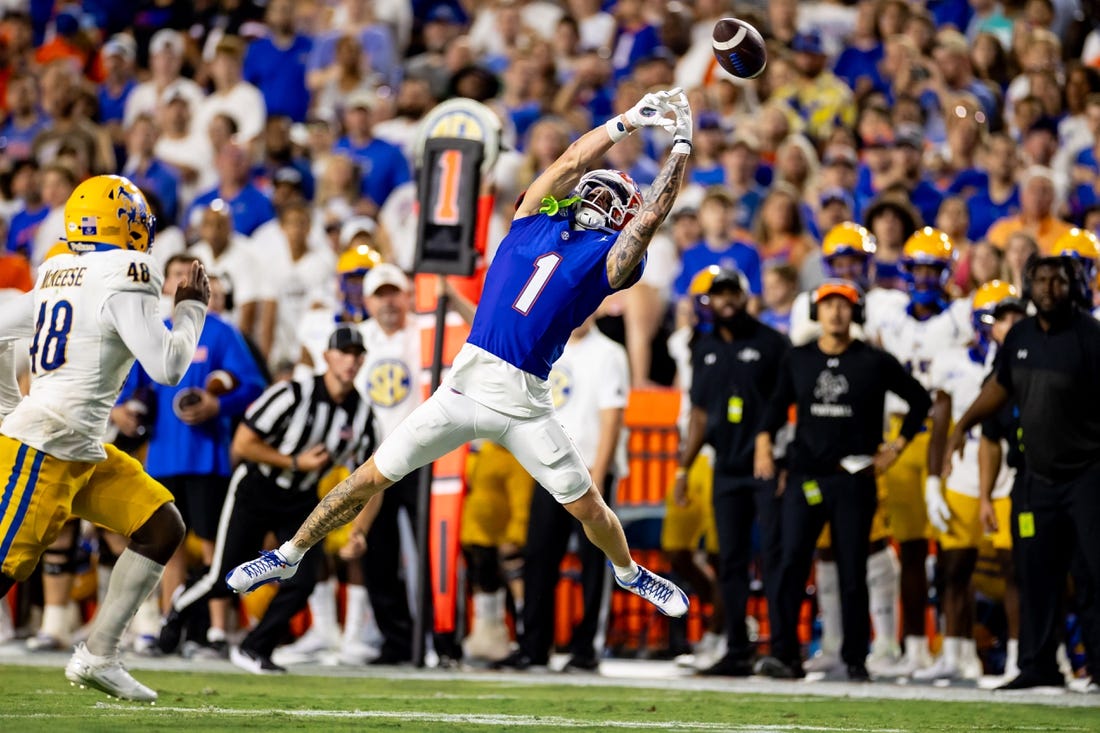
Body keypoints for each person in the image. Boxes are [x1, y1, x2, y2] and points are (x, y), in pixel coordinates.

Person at [227, 87, 695, 621]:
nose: (597, 196)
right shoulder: (534, 219)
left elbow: (650, 215)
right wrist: (633, 120)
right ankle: (288, 554)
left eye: (608, 194)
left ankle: (630, 573)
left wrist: (674, 139)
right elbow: (575, 162)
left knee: (589, 505)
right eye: (599, 190)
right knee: (369, 477)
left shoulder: (601, 258)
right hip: (463, 389)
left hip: (525, 405)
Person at [0, 174, 210, 702]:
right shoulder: (128, 272)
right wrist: (191, 309)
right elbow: (166, 366)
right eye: (137, 219)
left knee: (160, 525)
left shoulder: (58, 269)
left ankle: (98, 654)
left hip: (79, 445)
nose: (145, 230)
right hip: (44, 447)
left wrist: (8, 404)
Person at [754, 280, 932, 681]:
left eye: (844, 305)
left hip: (854, 478)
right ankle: (786, 655)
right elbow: (775, 408)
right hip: (806, 477)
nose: (836, 312)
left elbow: (921, 400)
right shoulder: (797, 359)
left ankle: (855, 659)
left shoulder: (875, 360)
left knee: (854, 571)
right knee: (790, 566)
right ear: (817, 312)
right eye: (828, 305)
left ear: (856, 313)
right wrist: (764, 442)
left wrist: (898, 444)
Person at [943, 253, 1100, 691]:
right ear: (1028, 287)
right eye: (1041, 280)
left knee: (1092, 572)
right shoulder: (1020, 336)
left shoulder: (1091, 337)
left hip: (1087, 475)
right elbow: (999, 386)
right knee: (1034, 572)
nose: (1049, 288)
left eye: (1059, 281)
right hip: (1035, 479)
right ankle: (1036, 665)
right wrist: (963, 425)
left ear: (1075, 287)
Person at [112, 253, 266, 658]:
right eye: (177, 275)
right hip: (163, 455)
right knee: (167, 546)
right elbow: (132, 390)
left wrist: (219, 406)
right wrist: (123, 411)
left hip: (207, 456)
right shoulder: (155, 331)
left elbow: (252, 385)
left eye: (191, 276)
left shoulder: (221, 332)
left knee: (214, 544)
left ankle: (217, 631)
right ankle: (170, 626)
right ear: (167, 285)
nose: (183, 282)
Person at [672, 266, 789, 677]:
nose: (725, 302)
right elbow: (700, 416)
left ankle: (784, 649)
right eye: (717, 295)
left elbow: (790, 404)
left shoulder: (773, 343)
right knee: (730, 562)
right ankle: (737, 647)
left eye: (730, 294)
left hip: (768, 467)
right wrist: (683, 469)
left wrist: (782, 455)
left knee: (776, 558)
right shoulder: (703, 347)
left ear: (744, 297)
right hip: (725, 467)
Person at [505, 313, 629, 671]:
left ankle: (586, 648)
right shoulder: (550, 349)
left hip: (589, 471)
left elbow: (612, 417)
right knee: (539, 559)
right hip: (549, 470)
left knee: (595, 563)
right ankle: (534, 646)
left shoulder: (609, 353)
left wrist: (600, 474)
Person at [874, 227, 972, 677]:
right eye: (917, 269)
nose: (925, 278)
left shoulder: (964, 318)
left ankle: (959, 647)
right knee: (911, 549)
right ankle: (914, 647)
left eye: (934, 270)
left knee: (955, 552)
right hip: (901, 436)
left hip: (949, 437)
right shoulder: (888, 313)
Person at [919, 281, 1026, 682]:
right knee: (953, 568)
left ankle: (1019, 655)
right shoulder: (953, 361)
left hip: (1010, 472)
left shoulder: (1027, 358)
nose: (1003, 324)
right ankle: (956, 652)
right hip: (962, 474)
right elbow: (941, 423)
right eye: (995, 316)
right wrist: (932, 481)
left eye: (1010, 315)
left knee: (1016, 568)